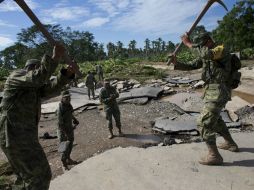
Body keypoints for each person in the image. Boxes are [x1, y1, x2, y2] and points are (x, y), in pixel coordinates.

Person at [0, 44, 76, 189]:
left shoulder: (34, 88)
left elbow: (51, 88)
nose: (43, 77)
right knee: (39, 175)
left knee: (28, 177)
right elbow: (38, 77)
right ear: (28, 70)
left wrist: (66, 73)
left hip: (24, 136)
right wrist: (55, 58)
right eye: (37, 70)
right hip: (13, 135)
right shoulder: (16, 77)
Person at [171, 32, 239, 165]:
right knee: (216, 120)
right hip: (210, 91)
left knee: (204, 122)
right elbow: (193, 65)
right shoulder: (206, 53)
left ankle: (214, 156)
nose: (201, 48)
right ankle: (230, 144)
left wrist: (188, 43)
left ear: (209, 41)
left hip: (219, 91)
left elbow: (205, 54)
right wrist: (176, 62)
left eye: (202, 45)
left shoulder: (220, 50)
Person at [57, 90, 79, 171]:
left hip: (69, 128)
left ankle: (68, 159)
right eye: (66, 98)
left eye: (69, 97)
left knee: (70, 144)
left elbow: (71, 113)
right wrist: (65, 133)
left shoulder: (69, 105)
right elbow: (60, 124)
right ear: (62, 99)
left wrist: (74, 119)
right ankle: (64, 164)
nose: (68, 99)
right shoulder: (60, 109)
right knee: (63, 147)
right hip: (62, 130)